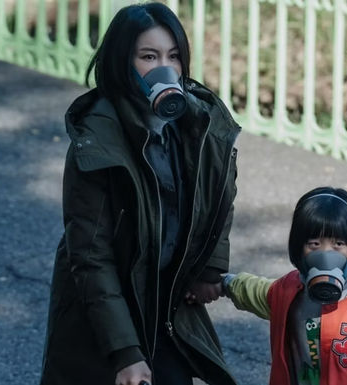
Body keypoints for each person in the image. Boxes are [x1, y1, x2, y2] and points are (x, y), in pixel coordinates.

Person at [38, 3, 240, 385]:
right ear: (122, 63)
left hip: (167, 305)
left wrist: (211, 266)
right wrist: (125, 353)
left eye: (173, 57)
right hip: (104, 311)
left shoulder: (199, 125)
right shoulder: (97, 140)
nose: (165, 69)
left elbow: (220, 194)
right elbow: (91, 255)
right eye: (149, 57)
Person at [213, 186, 347, 385]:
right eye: (314, 244)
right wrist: (221, 283)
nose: (325, 254)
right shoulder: (289, 290)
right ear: (298, 248)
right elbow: (257, 291)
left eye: (338, 244)